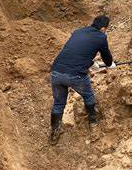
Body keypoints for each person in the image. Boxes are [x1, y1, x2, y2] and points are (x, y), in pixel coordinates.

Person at [49, 15, 115, 145]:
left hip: (56, 72)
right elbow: (107, 59)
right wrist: (110, 64)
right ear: (102, 29)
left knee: (58, 104)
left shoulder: (78, 31)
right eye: (106, 29)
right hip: (75, 75)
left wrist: (91, 63)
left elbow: (75, 51)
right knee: (88, 95)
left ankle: (54, 132)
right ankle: (93, 121)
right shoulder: (101, 37)